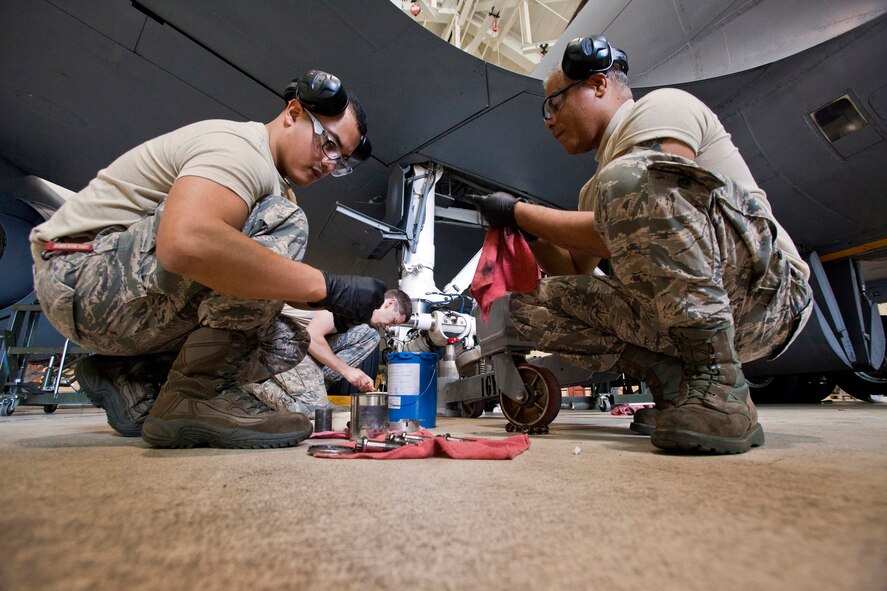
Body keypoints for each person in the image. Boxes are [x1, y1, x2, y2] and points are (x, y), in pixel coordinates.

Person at [473, 36, 812, 454]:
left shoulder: (662, 108)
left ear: (597, 85)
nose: (549, 120)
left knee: (630, 179)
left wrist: (520, 212)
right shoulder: (598, 188)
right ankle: (678, 384)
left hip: (768, 297)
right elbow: (575, 273)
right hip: (693, 315)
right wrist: (530, 234)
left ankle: (721, 387)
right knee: (526, 305)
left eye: (554, 103)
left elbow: (638, 212)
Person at [30, 69, 389, 450]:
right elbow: (187, 242)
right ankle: (193, 398)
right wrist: (329, 286)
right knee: (284, 221)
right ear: (294, 112)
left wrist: (333, 301)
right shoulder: (240, 148)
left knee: (285, 338)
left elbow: (260, 285)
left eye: (341, 160)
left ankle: (130, 376)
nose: (329, 163)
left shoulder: (276, 187)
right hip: (78, 275)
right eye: (328, 144)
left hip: (118, 300)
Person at [247, 289, 412, 415]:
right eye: (393, 321)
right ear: (389, 304)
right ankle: (251, 384)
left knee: (370, 336)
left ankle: (314, 388)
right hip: (281, 339)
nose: (389, 327)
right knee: (315, 411)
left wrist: (357, 375)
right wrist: (348, 371)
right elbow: (312, 336)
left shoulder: (363, 319)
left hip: (301, 340)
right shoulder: (353, 300)